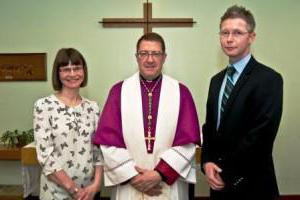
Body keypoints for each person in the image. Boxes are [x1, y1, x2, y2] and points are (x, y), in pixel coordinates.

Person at [93, 32, 201, 200]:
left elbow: (187, 143)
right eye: (144, 53)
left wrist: (160, 173)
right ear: (136, 57)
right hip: (130, 184)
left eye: (156, 53)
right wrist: (134, 177)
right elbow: (108, 142)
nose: (150, 59)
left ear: (164, 57)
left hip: (167, 183)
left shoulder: (181, 92)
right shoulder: (118, 91)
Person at [201, 5, 283, 200]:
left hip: (252, 186)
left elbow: (260, 137)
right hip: (218, 186)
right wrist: (207, 163)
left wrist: (225, 172)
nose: (229, 39)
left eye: (237, 33)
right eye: (225, 32)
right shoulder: (216, 81)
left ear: (251, 37)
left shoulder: (269, 79)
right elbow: (210, 128)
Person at [33, 48, 103, 200]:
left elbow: (98, 151)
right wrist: (74, 190)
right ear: (57, 74)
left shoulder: (93, 107)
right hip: (56, 193)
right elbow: (45, 156)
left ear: (84, 71)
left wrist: (96, 185)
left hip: (89, 193)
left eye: (77, 68)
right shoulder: (44, 106)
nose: (72, 74)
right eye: (66, 69)